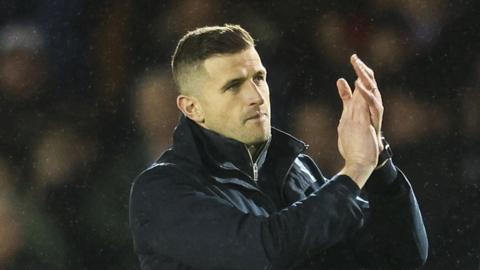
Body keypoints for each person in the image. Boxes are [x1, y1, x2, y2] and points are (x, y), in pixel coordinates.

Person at [129, 24, 428, 270]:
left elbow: (401, 256)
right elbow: (264, 253)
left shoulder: (297, 169)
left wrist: (378, 163)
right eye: (233, 85)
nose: (256, 95)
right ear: (192, 108)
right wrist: (354, 170)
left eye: (259, 78)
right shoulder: (162, 190)